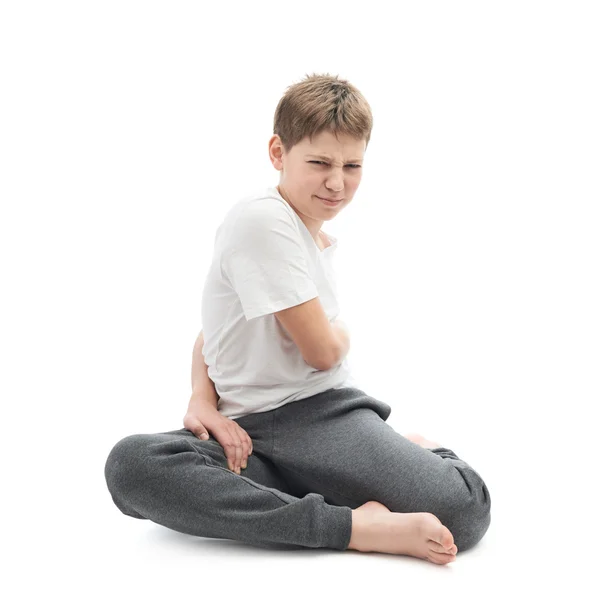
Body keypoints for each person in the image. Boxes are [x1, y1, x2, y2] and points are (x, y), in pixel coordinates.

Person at [104, 73, 491, 565]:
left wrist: (207, 392)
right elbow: (320, 349)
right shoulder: (262, 219)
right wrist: (203, 399)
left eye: (353, 165)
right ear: (277, 152)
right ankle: (353, 526)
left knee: (465, 509)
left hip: (318, 419)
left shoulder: (313, 240)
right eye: (320, 163)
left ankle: (418, 455)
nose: (338, 182)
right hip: (247, 437)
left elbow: (230, 331)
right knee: (133, 467)